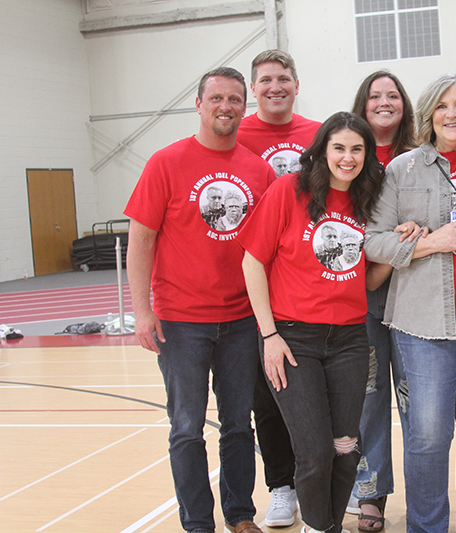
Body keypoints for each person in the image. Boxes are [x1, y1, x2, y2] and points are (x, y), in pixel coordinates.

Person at [125, 67, 275, 533]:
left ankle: (240, 514)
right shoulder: (165, 163)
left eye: (235, 99)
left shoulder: (258, 170)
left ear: (243, 106)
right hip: (181, 322)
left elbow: (271, 246)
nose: (226, 106)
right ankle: (196, 522)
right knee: (187, 428)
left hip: (240, 321)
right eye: (217, 98)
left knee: (237, 426)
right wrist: (143, 311)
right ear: (199, 103)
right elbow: (141, 240)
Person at [364, 74, 456, 533]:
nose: (453, 113)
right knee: (428, 436)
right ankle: (426, 527)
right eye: (444, 105)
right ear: (429, 113)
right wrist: (430, 243)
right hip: (422, 322)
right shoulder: (402, 169)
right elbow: (371, 241)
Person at [239, 112, 384, 533]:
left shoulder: (367, 200)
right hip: (293, 338)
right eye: (339, 147)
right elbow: (253, 263)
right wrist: (269, 335)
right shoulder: (289, 191)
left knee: (345, 447)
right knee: (315, 451)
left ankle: (326, 526)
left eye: (357, 149)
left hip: (351, 340)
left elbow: (367, 277)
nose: (348, 157)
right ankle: (319, 527)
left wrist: (402, 250)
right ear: (321, 151)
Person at [236, 49, 322, 527]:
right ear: (254, 87)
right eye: (266, 80)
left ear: (295, 83)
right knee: (266, 394)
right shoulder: (239, 135)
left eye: (283, 79)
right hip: (254, 287)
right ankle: (281, 486)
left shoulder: (317, 135)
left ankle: (324, 481)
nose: (275, 87)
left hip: (310, 288)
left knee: (315, 395)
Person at [347, 70, 418, 533]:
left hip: (417, 297)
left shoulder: (421, 155)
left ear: (404, 104)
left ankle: (425, 493)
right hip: (367, 297)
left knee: (418, 403)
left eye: (393, 95)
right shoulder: (350, 155)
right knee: (370, 401)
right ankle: (370, 494)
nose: (384, 102)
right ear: (362, 104)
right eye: (375, 96)